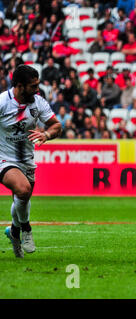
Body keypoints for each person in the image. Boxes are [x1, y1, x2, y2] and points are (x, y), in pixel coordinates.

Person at [1, 65, 62, 258]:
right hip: (3, 158)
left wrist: (46, 134)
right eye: (33, 86)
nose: (37, 90)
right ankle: (26, 229)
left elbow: (56, 125)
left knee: (22, 198)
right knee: (23, 189)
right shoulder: (2, 102)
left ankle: (14, 231)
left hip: (26, 160)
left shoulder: (38, 102)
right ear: (19, 86)